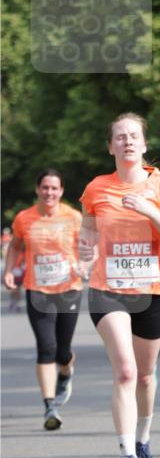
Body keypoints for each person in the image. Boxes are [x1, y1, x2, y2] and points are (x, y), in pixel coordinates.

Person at [79, 113, 160, 458]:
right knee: (125, 371)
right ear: (110, 146)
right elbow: (88, 234)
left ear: (144, 145)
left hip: (153, 292)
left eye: (134, 136)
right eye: (120, 137)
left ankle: (143, 439)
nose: (127, 142)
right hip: (108, 290)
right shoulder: (95, 189)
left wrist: (150, 211)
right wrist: (83, 252)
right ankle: (127, 456)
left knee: (144, 375)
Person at [3, 170, 82, 429]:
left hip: (69, 288)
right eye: (45, 188)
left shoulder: (73, 217)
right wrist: (8, 271)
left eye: (54, 188)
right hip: (37, 289)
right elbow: (15, 246)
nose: (49, 193)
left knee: (63, 351)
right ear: (37, 189)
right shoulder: (24, 218)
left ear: (61, 191)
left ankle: (66, 372)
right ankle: (50, 405)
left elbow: (88, 247)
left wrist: (85, 264)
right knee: (46, 347)